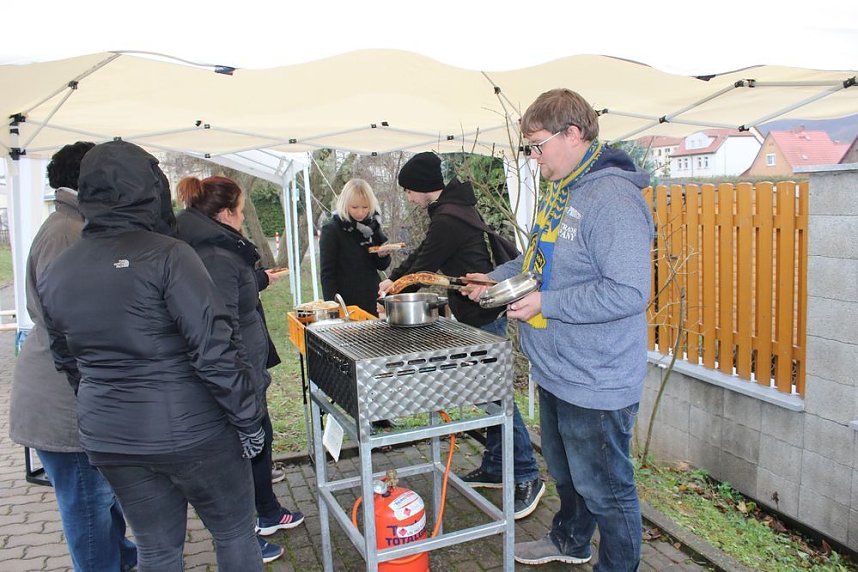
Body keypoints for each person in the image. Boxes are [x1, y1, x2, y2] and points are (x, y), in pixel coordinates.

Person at [37, 140, 266, 572]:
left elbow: (66, 360)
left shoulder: (60, 269)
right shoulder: (170, 255)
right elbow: (213, 350)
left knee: (156, 551)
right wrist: (249, 418)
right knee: (234, 532)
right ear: (149, 187)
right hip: (194, 433)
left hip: (111, 437)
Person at [464, 88, 653, 569]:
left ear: (574, 134)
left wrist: (547, 302)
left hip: (596, 378)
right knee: (568, 476)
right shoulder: (562, 188)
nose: (533, 158)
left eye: (537, 145)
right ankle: (569, 540)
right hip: (557, 368)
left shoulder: (611, 198)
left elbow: (629, 292)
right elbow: (538, 263)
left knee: (607, 489)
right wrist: (497, 278)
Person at [378, 151, 544, 519]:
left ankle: (527, 475)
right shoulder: (450, 209)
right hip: (474, 310)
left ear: (421, 188)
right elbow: (424, 254)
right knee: (487, 396)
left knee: (495, 398)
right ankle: (497, 465)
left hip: (481, 310)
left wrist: (393, 288)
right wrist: (395, 278)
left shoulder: (448, 218)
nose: (407, 196)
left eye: (408, 190)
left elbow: (423, 265)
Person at [9, 141, 138, 572]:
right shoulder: (68, 232)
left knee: (102, 500)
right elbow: (72, 318)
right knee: (88, 507)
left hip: (73, 393)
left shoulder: (74, 224)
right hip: (64, 402)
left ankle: (121, 559)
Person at [176, 175, 305, 564]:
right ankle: (245, 533)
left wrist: (260, 279)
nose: (245, 218)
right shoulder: (214, 253)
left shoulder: (216, 244)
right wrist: (241, 380)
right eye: (243, 210)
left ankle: (267, 510)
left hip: (245, 368)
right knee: (243, 447)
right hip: (236, 373)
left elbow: (236, 288)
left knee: (261, 436)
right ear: (228, 212)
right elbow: (221, 325)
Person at [319, 178, 391, 316]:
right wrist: (333, 307)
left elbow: (382, 266)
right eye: (355, 207)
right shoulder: (332, 230)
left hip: (372, 299)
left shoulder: (373, 227)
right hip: (346, 302)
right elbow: (327, 274)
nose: (360, 213)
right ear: (344, 205)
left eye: (365, 207)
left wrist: (384, 254)